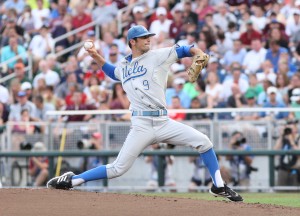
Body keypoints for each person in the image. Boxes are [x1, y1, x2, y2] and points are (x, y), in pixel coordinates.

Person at [47, 25, 243, 202]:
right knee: (118, 168)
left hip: (163, 121)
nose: (148, 39)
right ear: (133, 42)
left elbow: (184, 49)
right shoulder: (124, 65)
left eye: (149, 36)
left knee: (204, 142)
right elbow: (113, 72)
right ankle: (72, 180)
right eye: (144, 37)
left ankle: (218, 185)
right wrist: (95, 55)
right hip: (141, 124)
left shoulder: (158, 55)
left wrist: (198, 52)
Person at [274, 120, 300, 186]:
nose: (289, 131)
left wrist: (291, 141)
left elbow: (298, 153)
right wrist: (281, 136)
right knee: (280, 191)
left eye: (291, 129)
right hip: (283, 168)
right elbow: (275, 151)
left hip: (295, 169)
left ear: (296, 130)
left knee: (294, 192)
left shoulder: (298, 138)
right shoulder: (284, 139)